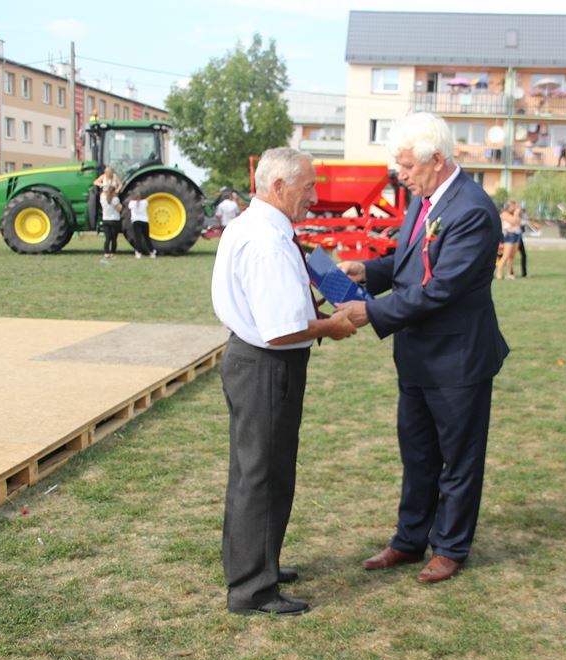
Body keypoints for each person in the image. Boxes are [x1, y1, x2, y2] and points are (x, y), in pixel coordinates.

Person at [336, 113, 509, 584]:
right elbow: (411, 261)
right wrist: (369, 272)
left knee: (458, 459)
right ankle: (410, 540)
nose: (402, 175)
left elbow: (441, 288)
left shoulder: (472, 210)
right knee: (417, 455)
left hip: (457, 360)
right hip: (417, 356)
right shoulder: (425, 199)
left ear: (437, 159)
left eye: (408, 166)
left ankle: (450, 547)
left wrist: (372, 311)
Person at [212, 147, 357, 616]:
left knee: (254, 471)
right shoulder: (268, 242)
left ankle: (255, 564)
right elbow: (280, 329)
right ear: (278, 186)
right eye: (308, 187)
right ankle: (253, 588)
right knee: (264, 475)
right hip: (267, 365)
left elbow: (278, 310)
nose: (314, 196)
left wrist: (316, 308)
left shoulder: (256, 227)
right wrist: (331, 326)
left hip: (255, 362)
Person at [496, 200, 522, 280]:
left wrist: (516, 215)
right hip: (509, 235)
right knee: (506, 255)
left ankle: (509, 273)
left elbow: (518, 221)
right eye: (514, 206)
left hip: (516, 234)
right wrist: (516, 214)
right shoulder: (504, 214)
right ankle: (499, 273)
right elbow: (513, 221)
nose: (515, 208)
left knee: (511, 257)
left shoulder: (513, 214)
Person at [127, 191, 155, 259]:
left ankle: (138, 253)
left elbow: (129, 207)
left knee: (137, 237)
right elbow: (147, 204)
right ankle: (152, 252)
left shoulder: (131, 203)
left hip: (136, 221)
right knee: (146, 237)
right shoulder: (145, 202)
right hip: (145, 221)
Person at [99, 186, 122, 258]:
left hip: (105, 219)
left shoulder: (103, 199)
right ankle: (113, 252)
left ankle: (106, 252)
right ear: (114, 192)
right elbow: (119, 209)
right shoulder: (115, 199)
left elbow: (102, 194)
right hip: (114, 220)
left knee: (107, 238)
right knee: (114, 238)